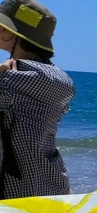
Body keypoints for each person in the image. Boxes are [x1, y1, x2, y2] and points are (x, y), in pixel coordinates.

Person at [0, 0, 72, 200]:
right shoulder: (60, 78)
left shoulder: (15, 75)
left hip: (16, 188)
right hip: (52, 181)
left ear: (10, 33)